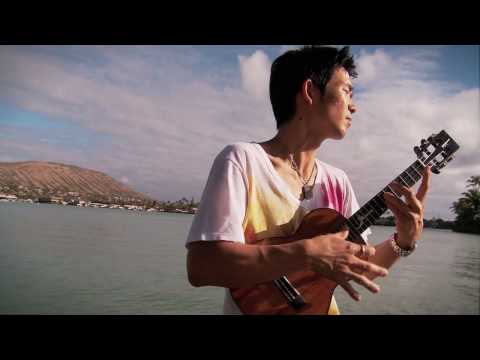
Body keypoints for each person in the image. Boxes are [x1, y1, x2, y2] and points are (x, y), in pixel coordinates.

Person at [185, 45, 431, 315]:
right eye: (347, 91)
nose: (354, 106)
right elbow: (201, 267)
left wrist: (404, 240)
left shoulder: (338, 182)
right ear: (310, 91)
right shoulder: (243, 160)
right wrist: (305, 253)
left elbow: (357, 271)